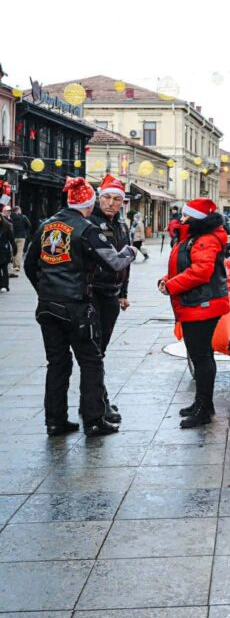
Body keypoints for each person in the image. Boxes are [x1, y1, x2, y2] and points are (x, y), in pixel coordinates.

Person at [24, 176, 136, 436]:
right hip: (76, 307)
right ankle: (94, 420)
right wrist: (130, 251)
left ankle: (55, 421)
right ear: (88, 203)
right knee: (91, 361)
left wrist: (45, 290)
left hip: (48, 306)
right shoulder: (86, 228)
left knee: (57, 363)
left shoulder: (46, 226)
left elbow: (31, 265)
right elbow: (115, 262)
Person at [158, 198, 229, 428]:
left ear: (196, 218)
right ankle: (203, 404)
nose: (181, 218)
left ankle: (203, 409)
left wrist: (172, 285)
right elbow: (185, 265)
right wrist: (168, 279)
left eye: (186, 215)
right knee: (200, 356)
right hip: (197, 302)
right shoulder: (194, 237)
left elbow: (200, 272)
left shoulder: (204, 239)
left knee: (201, 357)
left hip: (201, 304)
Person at [90, 175, 132, 423]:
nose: (111, 203)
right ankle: (99, 403)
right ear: (98, 197)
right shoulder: (90, 222)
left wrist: (124, 293)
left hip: (111, 294)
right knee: (94, 354)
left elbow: (125, 262)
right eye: (106, 197)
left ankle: (99, 399)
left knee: (100, 351)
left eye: (116, 199)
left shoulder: (121, 226)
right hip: (93, 292)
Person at [9, 205, 31, 276]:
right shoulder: (23, 217)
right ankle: (17, 266)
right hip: (21, 237)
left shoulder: (10, 217)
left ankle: (13, 264)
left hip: (12, 236)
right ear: (18, 210)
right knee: (19, 252)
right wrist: (25, 231)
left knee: (13, 250)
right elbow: (29, 225)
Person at [0, 209, 16, 292]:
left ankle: (5, 285)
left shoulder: (7, 226)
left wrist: (15, 250)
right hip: (4, 250)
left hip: (4, 250)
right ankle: (2, 285)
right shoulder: (7, 225)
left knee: (4, 268)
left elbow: (11, 239)